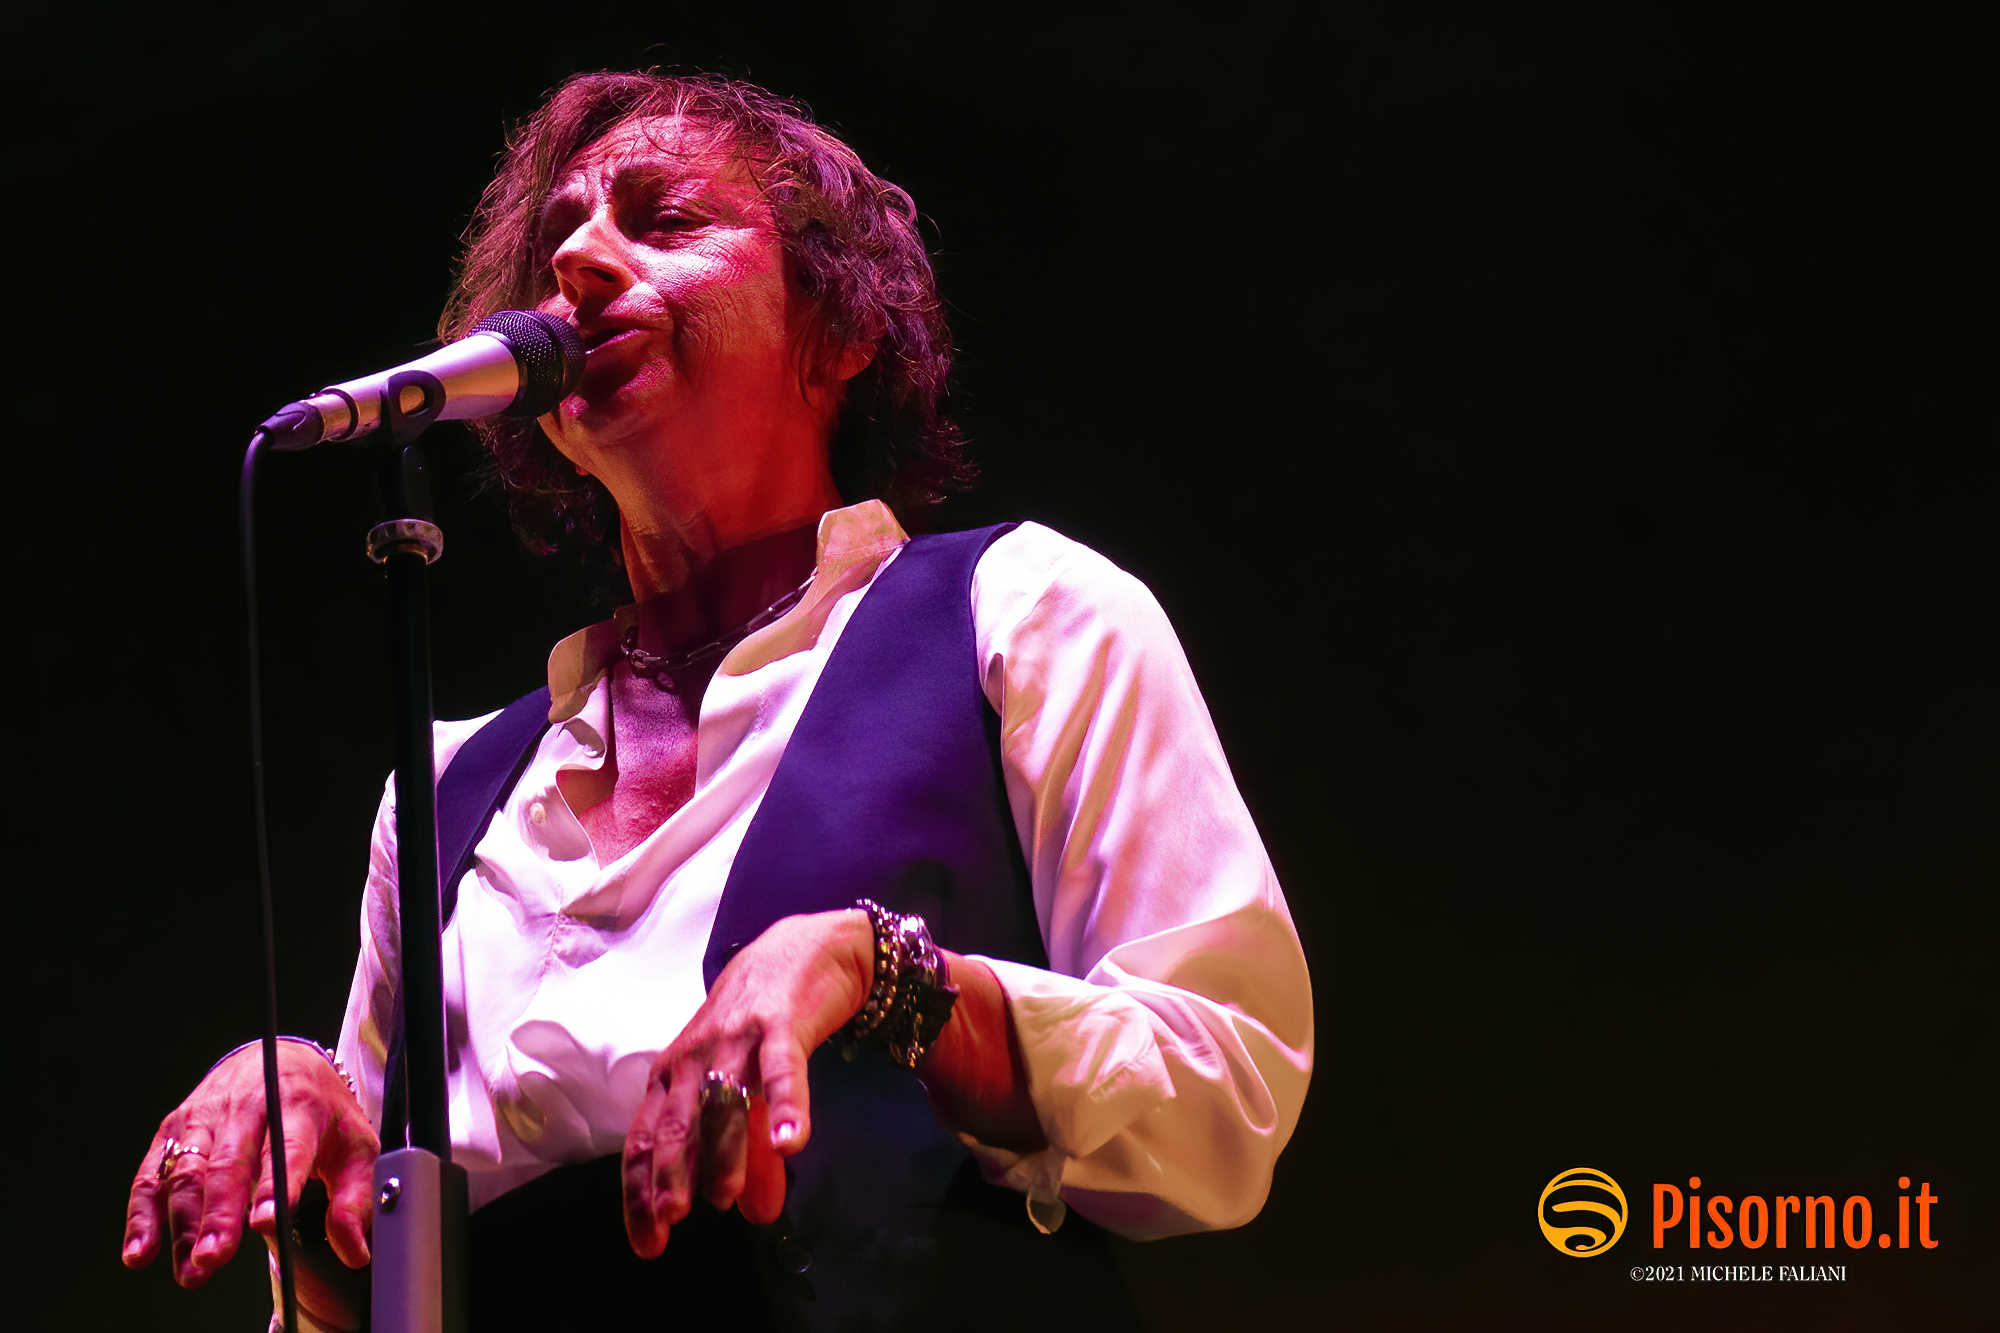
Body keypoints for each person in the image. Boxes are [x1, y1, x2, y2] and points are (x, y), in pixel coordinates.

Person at [122, 71, 1313, 1331]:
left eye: (665, 219)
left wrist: (883, 973)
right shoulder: (445, 788)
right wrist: (308, 1190)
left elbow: (1223, 1094)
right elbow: (365, 1301)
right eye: (560, 233)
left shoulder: (1021, 611)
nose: (577, 259)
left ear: (840, 329)